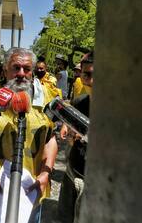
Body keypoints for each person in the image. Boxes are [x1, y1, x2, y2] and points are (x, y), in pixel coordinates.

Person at [0, 47, 59, 222]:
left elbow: (51, 137)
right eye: (16, 68)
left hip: (30, 188)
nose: (21, 74)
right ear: (5, 69)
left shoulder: (47, 95)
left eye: (27, 69)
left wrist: (46, 173)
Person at [57, 51, 94, 223]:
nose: (92, 81)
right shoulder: (79, 103)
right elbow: (71, 137)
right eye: (87, 75)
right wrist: (71, 134)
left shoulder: (120, 110)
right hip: (72, 174)